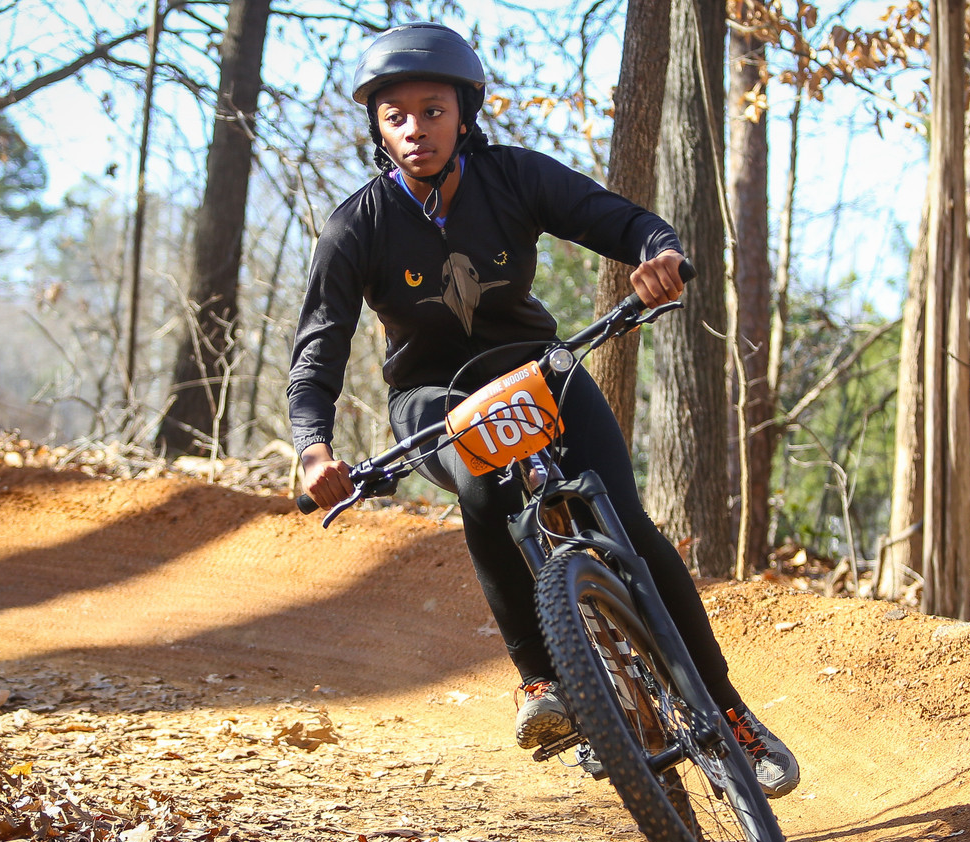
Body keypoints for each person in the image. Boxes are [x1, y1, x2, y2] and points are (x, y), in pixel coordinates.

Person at [288, 22, 799, 798]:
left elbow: (617, 219)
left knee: (628, 525)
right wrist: (314, 448)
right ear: (377, 129)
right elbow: (318, 349)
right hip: (431, 397)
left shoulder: (513, 176)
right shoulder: (356, 224)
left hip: (537, 371)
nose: (415, 129)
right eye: (396, 116)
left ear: (464, 114)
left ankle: (730, 711)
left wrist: (657, 254)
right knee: (483, 478)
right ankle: (541, 683)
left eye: (432, 111)